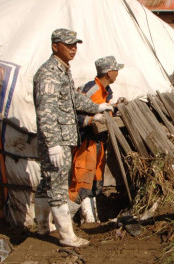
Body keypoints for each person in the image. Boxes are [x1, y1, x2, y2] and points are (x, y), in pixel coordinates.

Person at [33, 28, 113, 247]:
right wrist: (53, 145)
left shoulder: (63, 71)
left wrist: (97, 106)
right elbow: (45, 112)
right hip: (56, 141)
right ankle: (67, 236)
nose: (73, 49)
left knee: (46, 182)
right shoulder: (49, 73)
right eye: (68, 45)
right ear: (54, 46)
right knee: (58, 185)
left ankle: (42, 226)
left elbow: (73, 100)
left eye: (75, 45)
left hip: (64, 139)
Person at [69, 56, 124, 224]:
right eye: (116, 70)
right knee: (81, 184)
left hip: (98, 143)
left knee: (94, 183)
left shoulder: (104, 91)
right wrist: (92, 120)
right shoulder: (91, 90)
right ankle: (61, 223)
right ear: (109, 72)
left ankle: (90, 220)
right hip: (87, 143)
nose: (118, 74)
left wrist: (114, 108)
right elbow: (72, 113)